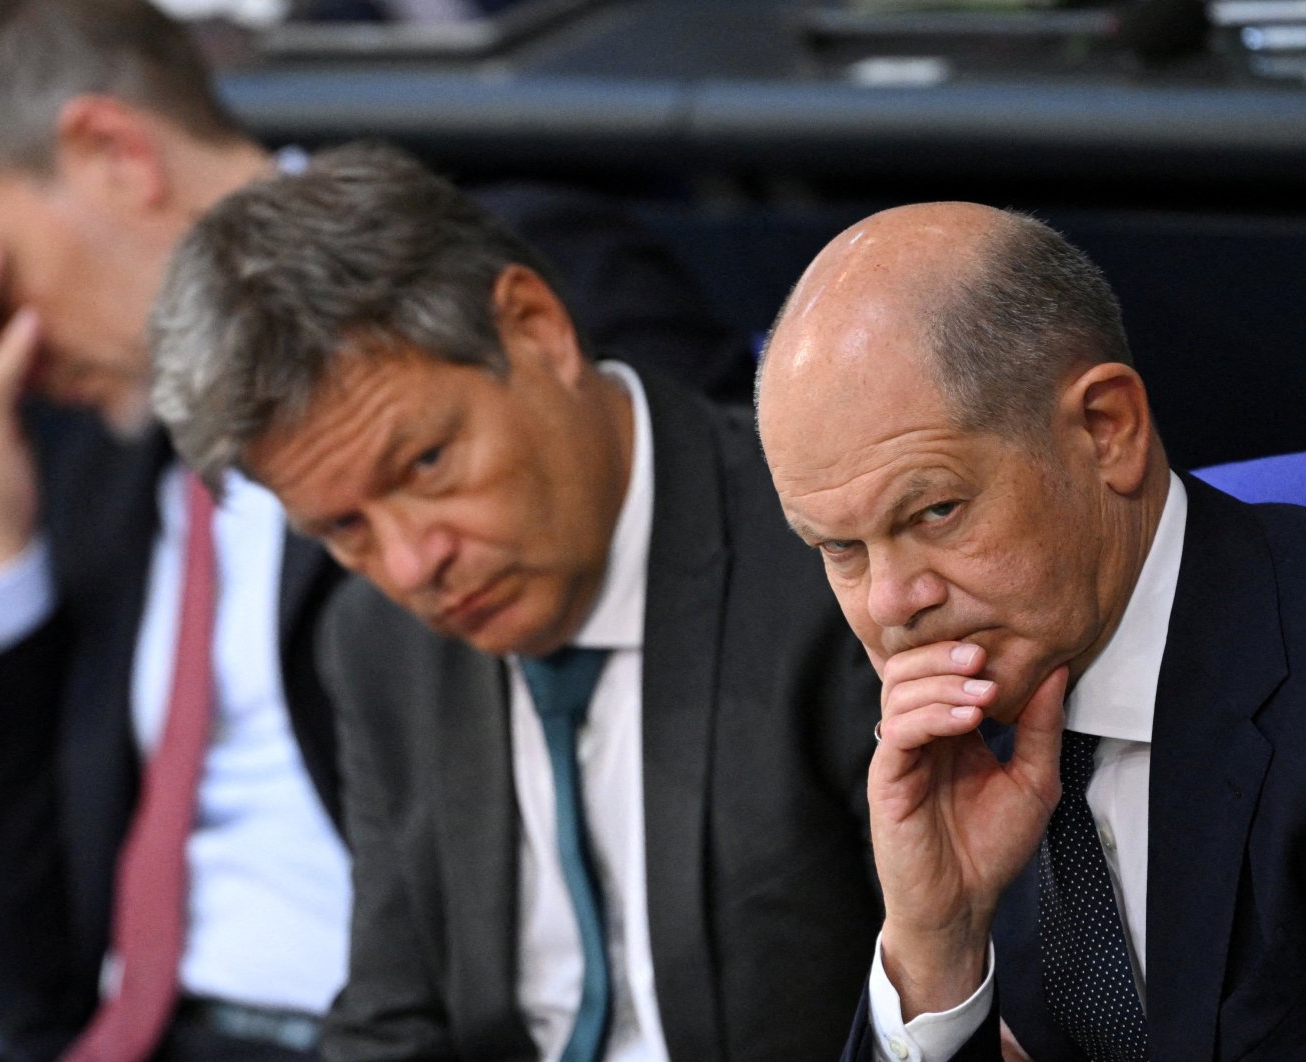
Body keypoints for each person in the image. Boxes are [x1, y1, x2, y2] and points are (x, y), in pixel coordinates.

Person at [0, 1, 752, 1059]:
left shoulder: (499, 281)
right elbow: (44, 952)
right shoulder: (102, 476)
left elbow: (742, 633)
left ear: (113, 154)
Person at [147, 140, 886, 1062]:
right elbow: (391, 1020)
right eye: (343, 529)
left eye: (426, 464)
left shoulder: (837, 564)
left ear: (536, 328)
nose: (414, 564)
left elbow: (960, 999)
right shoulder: (374, 641)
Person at [754, 201, 1306, 1061]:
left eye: (936, 510)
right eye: (840, 548)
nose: (894, 603)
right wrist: (936, 950)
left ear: (1105, 430)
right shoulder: (940, 743)